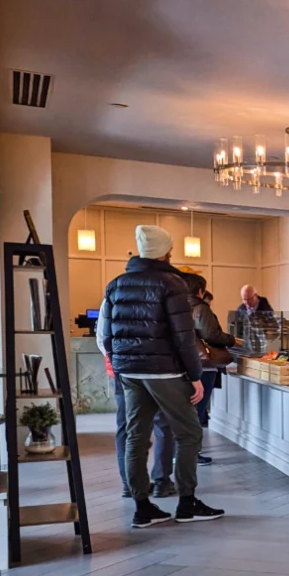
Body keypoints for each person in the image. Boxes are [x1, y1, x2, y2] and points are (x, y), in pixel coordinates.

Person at [102, 225, 224, 527]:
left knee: (136, 437)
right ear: (166, 251)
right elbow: (183, 338)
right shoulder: (173, 284)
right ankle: (186, 503)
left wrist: (120, 365)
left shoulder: (116, 284)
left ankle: (142, 507)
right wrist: (195, 375)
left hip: (129, 372)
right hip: (165, 371)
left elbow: (106, 334)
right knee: (189, 433)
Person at [96, 300, 176, 498]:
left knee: (126, 426)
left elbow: (102, 338)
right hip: (158, 370)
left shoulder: (112, 294)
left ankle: (130, 484)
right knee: (163, 424)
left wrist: (118, 359)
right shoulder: (162, 290)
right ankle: (161, 482)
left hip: (123, 369)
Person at [185, 274, 235, 465]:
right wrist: (230, 339)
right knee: (197, 411)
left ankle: (182, 453)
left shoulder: (178, 306)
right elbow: (211, 335)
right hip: (204, 366)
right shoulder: (201, 308)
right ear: (200, 291)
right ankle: (193, 454)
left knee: (188, 411)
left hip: (185, 364)